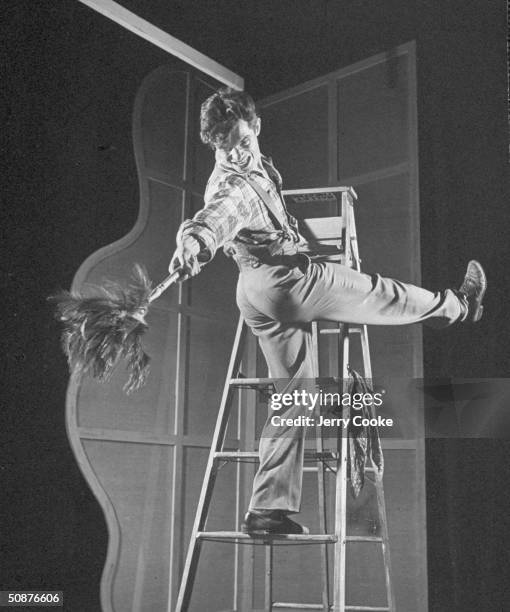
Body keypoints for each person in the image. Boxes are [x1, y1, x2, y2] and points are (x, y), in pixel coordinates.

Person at [169, 87, 486, 536]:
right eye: (225, 147)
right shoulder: (233, 183)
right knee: (380, 293)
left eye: (241, 141)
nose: (236, 153)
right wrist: (193, 241)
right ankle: (460, 305)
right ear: (214, 146)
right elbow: (216, 214)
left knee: (297, 396)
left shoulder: (253, 165)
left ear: (255, 126)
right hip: (285, 284)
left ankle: (267, 510)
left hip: (254, 292)